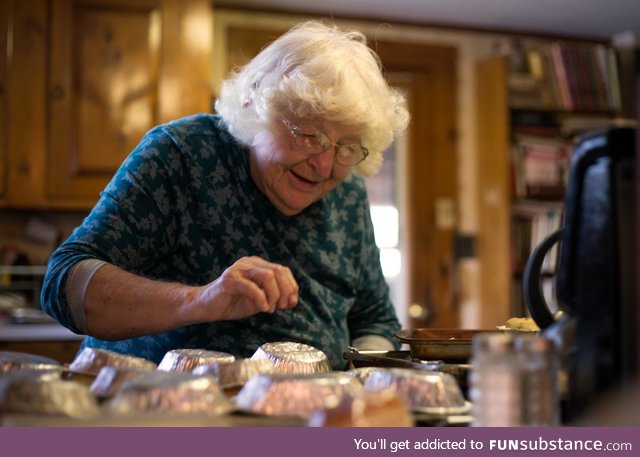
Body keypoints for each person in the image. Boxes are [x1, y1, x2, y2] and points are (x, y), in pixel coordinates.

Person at [41, 20, 410, 370]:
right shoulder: (181, 155)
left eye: (346, 146)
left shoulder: (347, 191)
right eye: (309, 135)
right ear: (256, 107)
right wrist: (199, 300)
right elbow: (64, 284)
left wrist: (363, 377)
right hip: (158, 413)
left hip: (307, 417)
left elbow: (374, 319)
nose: (325, 165)